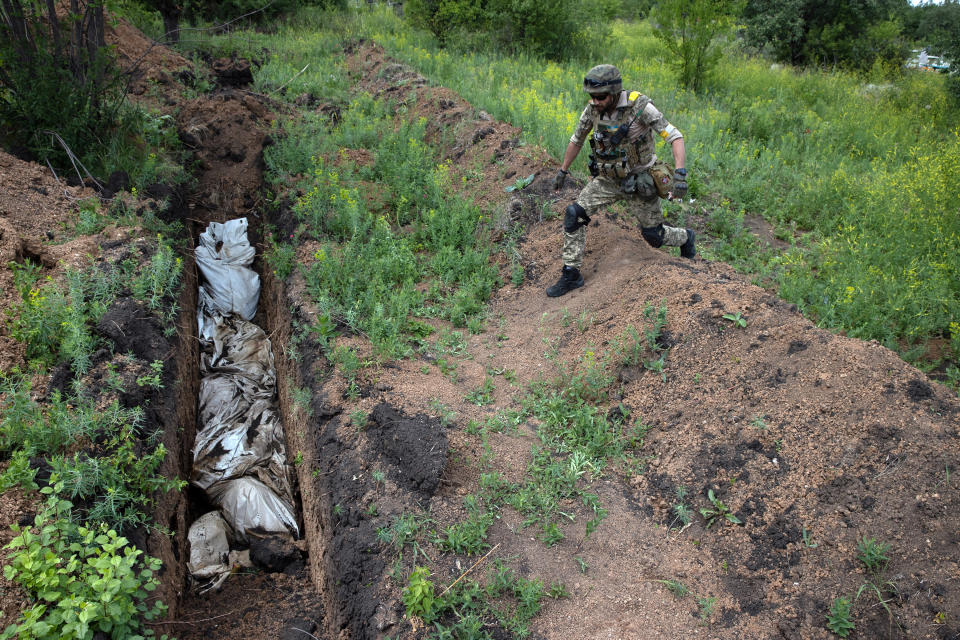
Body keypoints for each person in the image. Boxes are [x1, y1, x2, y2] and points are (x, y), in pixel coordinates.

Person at [547, 64, 695, 297]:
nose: (595, 101)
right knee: (574, 214)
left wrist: (680, 174)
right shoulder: (592, 110)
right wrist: (563, 171)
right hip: (608, 180)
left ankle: (686, 237)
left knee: (654, 236)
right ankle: (571, 274)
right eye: (592, 97)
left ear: (615, 92)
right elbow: (577, 140)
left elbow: (674, 136)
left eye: (601, 97)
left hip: (640, 181)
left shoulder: (640, 108)